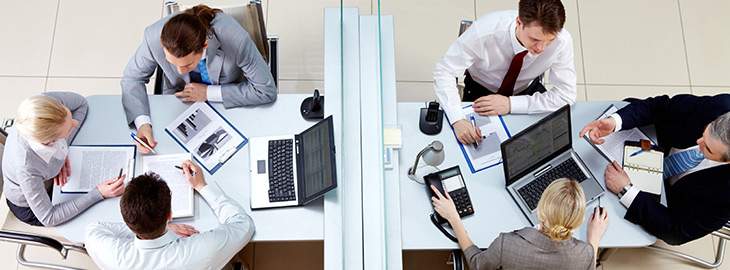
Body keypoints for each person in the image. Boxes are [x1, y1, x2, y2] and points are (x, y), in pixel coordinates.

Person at [122, 4, 277, 154]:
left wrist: (208, 93)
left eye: (187, 64)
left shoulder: (235, 39)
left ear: (204, 46)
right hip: (180, 103)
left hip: (228, 97)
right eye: (172, 63)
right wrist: (143, 124)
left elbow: (266, 90)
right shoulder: (153, 37)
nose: (179, 70)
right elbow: (132, 78)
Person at [581, 94, 730, 245]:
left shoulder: (726, 196)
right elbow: (660, 107)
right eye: (705, 132)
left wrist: (626, 190)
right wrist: (615, 122)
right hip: (652, 141)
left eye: (709, 149)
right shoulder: (721, 106)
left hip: (667, 199)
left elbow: (676, 231)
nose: (698, 142)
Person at [434, 0, 576, 145]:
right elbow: (445, 71)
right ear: (519, 22)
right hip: (481, 89)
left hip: (526, 90)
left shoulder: (562, 41)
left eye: (549, 41)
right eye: (535, 39)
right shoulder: (484, 32)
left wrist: (510, 104)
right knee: (476, 142)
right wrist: (457, 119)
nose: (541, 48)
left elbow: (566, 95)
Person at [86, 160, 254, 270]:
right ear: (170, 214)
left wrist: (146, 224)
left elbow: (95, 228)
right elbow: (243, 224)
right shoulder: (202, 248)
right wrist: (202, 186)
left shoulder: (108, 251)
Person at [2, 92, 125, 226]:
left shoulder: (45, 105)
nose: (74, 123)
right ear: (49, 142)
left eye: (69, 117)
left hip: (46, 177)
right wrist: (98, 193)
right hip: (32, 207)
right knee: (100, 216)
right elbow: (49, 218)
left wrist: (61, 152)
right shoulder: (26, 168)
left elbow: (81, 104)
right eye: (67, 131)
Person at [431, 178, 608, 270]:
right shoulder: (585, 254)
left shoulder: (507, 244)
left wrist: (453, 218)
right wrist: (594, 239)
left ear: (540, 210)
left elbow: (478, 264)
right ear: (578, 220)